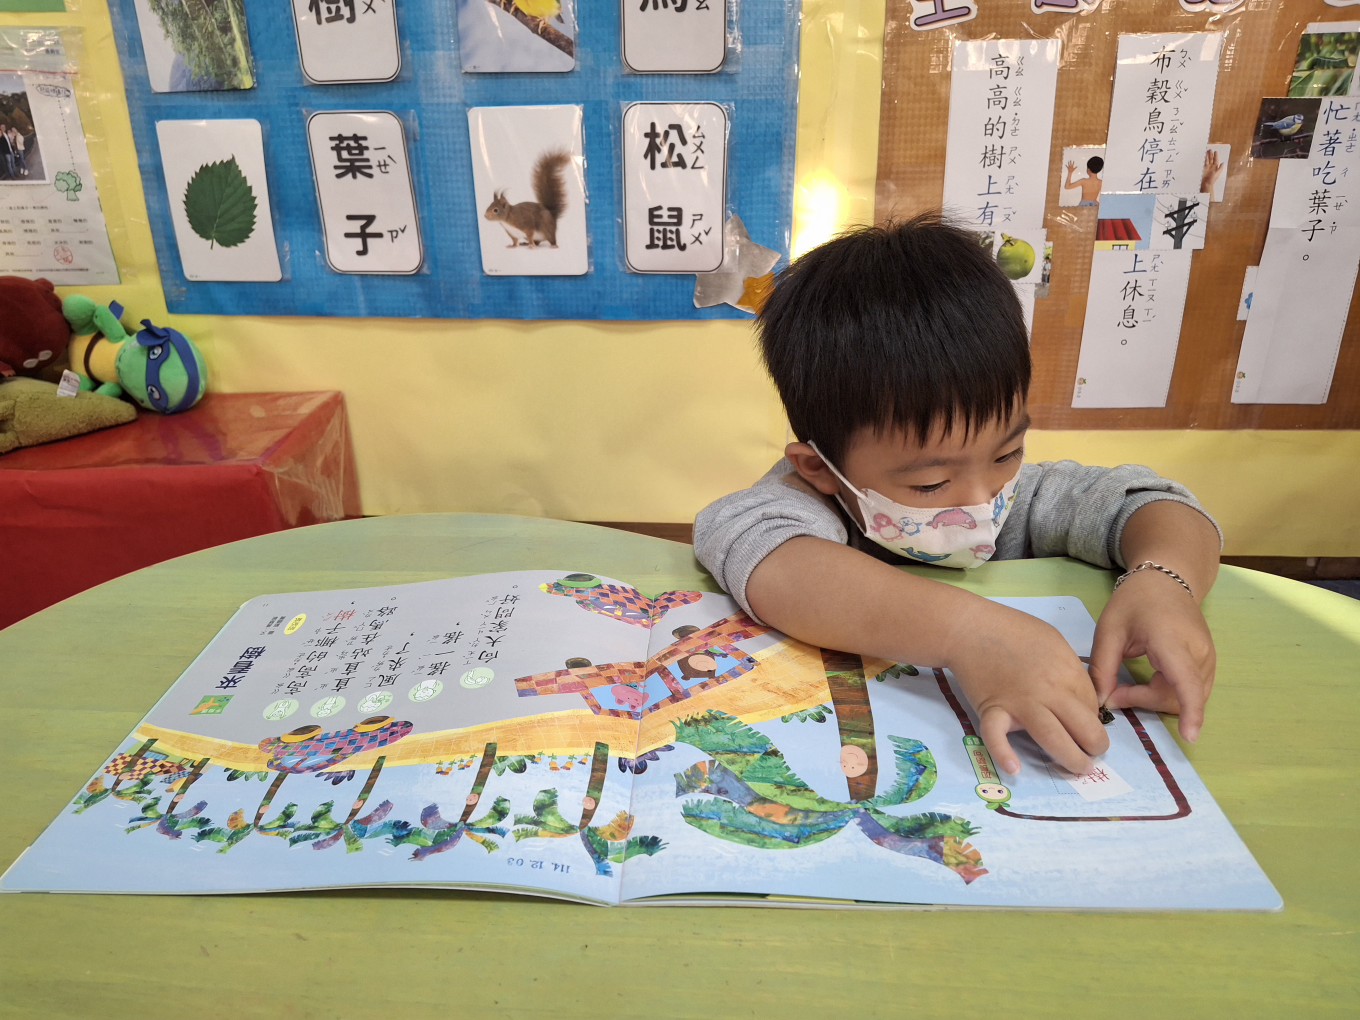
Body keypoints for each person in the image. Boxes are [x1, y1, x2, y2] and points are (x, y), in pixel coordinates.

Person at [693, 214, 1221, 778]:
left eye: (1006, 454)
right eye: (930, 483)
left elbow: (1154, 503)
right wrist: (969, 634)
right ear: (821, 469)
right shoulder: (806, 502)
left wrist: (1166, 581)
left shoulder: (1023, 499)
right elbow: (761, 547)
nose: (980, 500)